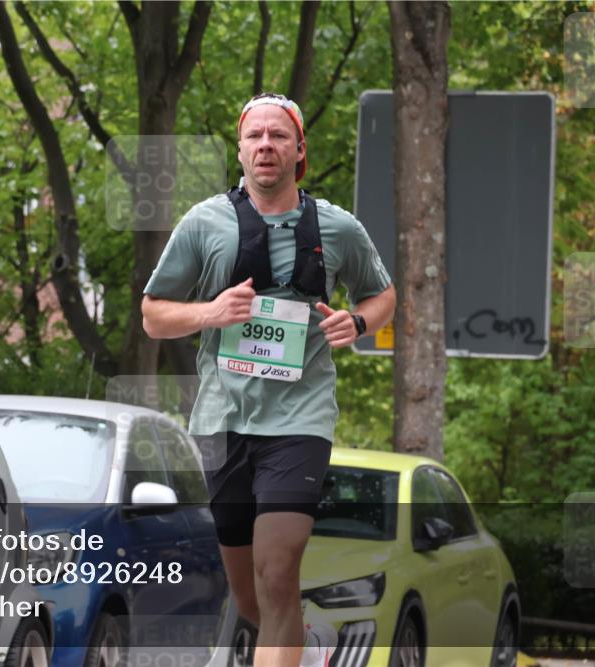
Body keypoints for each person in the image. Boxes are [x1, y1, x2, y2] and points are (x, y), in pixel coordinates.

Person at [141, 92, 396, 667]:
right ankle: (306, 648)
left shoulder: (337, 227)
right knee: (253, 597)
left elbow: (383, 295)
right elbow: (153, 314)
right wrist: (210, 312)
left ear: (299, 149)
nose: (265, 146)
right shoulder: (204, 222)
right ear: (240, 149)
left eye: (278, 136)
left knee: (278, 568)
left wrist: (358, 322)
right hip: (223, 421)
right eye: (255, 136)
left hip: (300, 419)